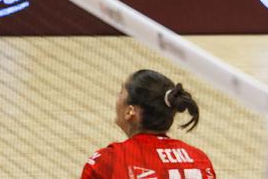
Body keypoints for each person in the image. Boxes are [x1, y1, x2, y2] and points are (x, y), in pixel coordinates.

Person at [81, 69, 213, 178]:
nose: (117, 98)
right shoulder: (198, 159)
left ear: (130, 111)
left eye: (121, 92)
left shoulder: (109, 161)